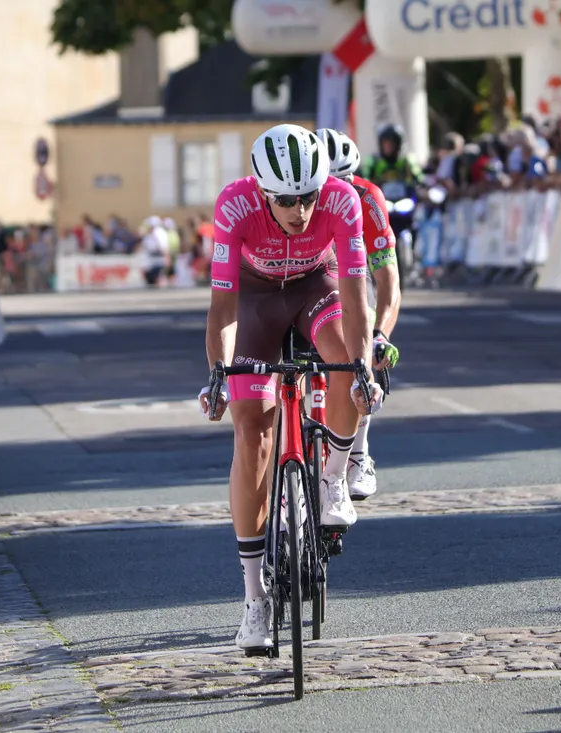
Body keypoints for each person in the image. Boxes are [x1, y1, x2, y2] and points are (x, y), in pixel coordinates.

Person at [197, 124, 381, 652]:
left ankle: (332, 475)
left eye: (308, 197)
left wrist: (362, 364)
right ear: (261, 191)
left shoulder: (341, 202)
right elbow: (224, 308)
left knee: (344, 366)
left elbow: (355, 295)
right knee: (252, 427)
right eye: (286, 200)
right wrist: (218, 372)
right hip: (255, 299)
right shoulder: (234, 206)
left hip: (316, 288)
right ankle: (254, 599)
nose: (300, 210)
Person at [317, 128, 402, 501]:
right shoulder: (298, 202)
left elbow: (388, 282)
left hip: (351, 274)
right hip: (314, 274)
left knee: (362, 340)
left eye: (347, 181)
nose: (341, 192)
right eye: (330, 184)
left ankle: (359, 453)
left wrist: (380, 334)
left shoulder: (368, 199)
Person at [359, 123, 425, 203]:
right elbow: (365, 179)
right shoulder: (374, 161)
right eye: (385, 143)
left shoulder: (406, 161)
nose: (388, 147)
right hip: (381, 201)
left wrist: (418, 185)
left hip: (404, 200)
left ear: (398, 144)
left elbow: (418, 179)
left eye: (391, 143)